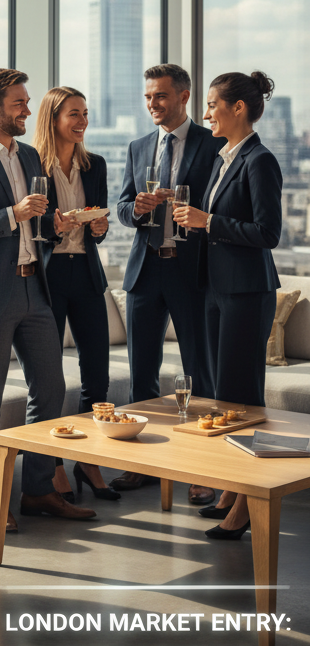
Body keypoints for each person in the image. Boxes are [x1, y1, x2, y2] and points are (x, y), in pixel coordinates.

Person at [0, 68, 95, 532]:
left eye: (27, 103)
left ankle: (38, 490)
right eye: (19, 104)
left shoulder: (30, 156)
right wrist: (13, 213)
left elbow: (38, 225)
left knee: (50, 390)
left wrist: (58, 224)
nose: (28, 110)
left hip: (34, 287)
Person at [174, 71, 282, 540]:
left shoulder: (260, 161)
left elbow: (267, 233)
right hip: (216, 289)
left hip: (245, 292)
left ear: (239, 108)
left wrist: (209, 220)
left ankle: (243, 507)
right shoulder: (223, 160)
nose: (205, 113)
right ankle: (231, 493)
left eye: (213, 104)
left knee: (243, 399)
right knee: (222, 396)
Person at [112, 63, 223, 504]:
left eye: (160, 96)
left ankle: (202, 470)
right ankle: (142, 467)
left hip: (191, 271)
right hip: (145, 270)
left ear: (184, 96)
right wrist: (136, 209)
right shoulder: (139, 147)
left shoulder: (211, 144)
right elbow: (120, 207)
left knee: (200, 370)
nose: (152, 105)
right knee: (141, 372)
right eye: (147, 98)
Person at [33, 87, 118, 503]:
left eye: (85, 113)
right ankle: (52, 468)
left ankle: (89, 461)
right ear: (53, 119)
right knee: (50, 378)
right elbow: (31, 227)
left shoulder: (95, 164)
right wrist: (55, 226)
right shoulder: (32, 164)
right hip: (48, 278)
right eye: (73, 114)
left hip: (86, 273)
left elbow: (100, 220)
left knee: (96, 374)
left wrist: (99, 228)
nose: (82, 121)